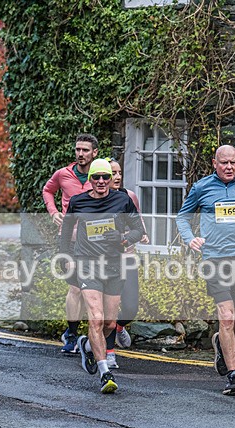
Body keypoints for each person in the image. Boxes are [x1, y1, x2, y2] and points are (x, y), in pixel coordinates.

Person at [176, 144, 235, 396]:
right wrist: (190, 239)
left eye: (233, 162)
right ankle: (233, 375)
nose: (229, 167)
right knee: (227, 317)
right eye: (224, 163)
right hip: (214, 259)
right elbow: (182, 218)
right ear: (214, 163)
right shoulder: (201, 187)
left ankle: (220, 341)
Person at [59, 158, 145, 393]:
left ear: (110, 179)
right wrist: (64, 257)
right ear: (90, 180)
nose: (101, 181)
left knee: (109, 322)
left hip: (114, 268)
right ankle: (104, 371)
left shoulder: (122, 200)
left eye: (105, 177)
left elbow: (139, 229)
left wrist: (124, 239)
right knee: (95, 319)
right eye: (96, 177)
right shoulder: (78, 201)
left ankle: (87, 344)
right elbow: (66, 233)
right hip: (87, 267)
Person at [42, 133, 97, 354]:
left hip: (96, 243)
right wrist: (53, 212)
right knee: (75, 287)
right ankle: (72, 335)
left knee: (92, 290)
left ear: (95, 153)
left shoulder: (100, 175)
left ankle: (95, 333)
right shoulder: (63, 174)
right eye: (78, 150)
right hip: (71, 240)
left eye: (85, 150)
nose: (80, 154)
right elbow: (48, 190)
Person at [105, 158, 149, 368]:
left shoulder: (129, 196)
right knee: (109, 310)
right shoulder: (97, 200)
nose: (117, 177)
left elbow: (137, 222)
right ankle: (109, 352)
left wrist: (140, 234)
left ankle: (121, 328)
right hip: (105, 261)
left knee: (131, 307)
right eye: (113, 172)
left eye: (119, 172)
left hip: (128, 257)